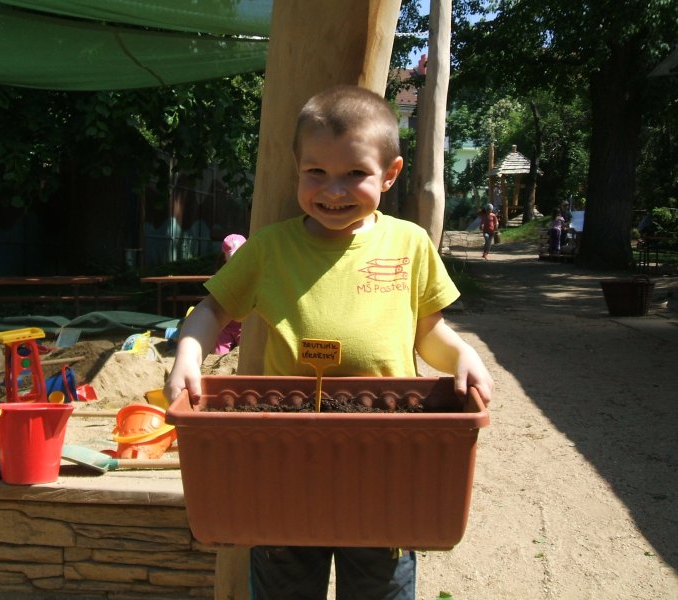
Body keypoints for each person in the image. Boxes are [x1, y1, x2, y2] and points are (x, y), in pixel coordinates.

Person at [164, 84, 493, 600]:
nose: (333, 190)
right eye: (315, 172)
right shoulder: (270, 247)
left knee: (380, 583)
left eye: (355, 174)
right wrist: (188, 352)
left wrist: (463, 356)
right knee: (285, 577)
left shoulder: (408, 243)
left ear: (390, 174)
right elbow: (213, 309)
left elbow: (429, 333)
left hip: (385, 456)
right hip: (286, 457)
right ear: (295, 168)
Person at [213, 233, 246, 354]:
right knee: (218, 353)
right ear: (224, 257)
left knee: (245, 352)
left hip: (243, 325)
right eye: (232, 258)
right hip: (224, 325)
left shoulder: (250, 272)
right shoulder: (221, 275)